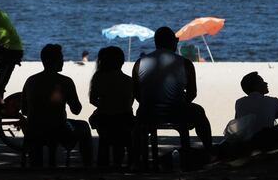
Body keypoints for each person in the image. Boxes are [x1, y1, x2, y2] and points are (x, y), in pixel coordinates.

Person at [132, 26, 213, 155]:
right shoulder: (185, 63)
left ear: (156, 42)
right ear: (173, 42)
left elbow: (136, 93)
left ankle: (137, 160)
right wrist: (178, 101)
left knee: (139, 116)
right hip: (176, 111)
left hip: (148, 112)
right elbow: (192, 93)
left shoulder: (139, 63)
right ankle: (209, 150)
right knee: (198, 111)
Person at [22, 44, 93, 167]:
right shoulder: (65, 81)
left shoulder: (31, 81)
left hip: (33, 128)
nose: (63, 61)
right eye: (61, 58)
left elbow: (24, 110)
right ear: (55, 61)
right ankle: (87, 165)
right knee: (84, 126)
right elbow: (76, 110)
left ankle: (36, 165)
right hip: (59, 128)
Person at [89, 46, 133, 168]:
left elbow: (92, 100)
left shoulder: (98, 77)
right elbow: (129, 103)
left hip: (104, 120)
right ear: (122, 62)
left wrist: (104, 105)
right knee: (125, 132)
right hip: (124, 120)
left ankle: (103, 165)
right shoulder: (129, 80)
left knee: (104, 138)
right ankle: (122, 162)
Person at [234, 72, 278, 137]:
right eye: (262, 81)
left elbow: (238, 125)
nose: (266, 83)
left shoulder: (239, 102)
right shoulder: (274, 101)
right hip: (267, 141)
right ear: (255, 86)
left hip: (247, 143)